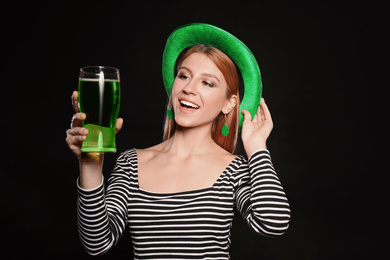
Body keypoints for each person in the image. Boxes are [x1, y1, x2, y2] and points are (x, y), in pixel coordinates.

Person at [66, 24, 290, 259]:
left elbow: (272, 224)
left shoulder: (233, 170)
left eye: (207, 83)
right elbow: (97, 243)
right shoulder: (130, 164)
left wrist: (257, 148)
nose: (189, 89)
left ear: (229, 103)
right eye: (183, 76)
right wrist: (90, 163)